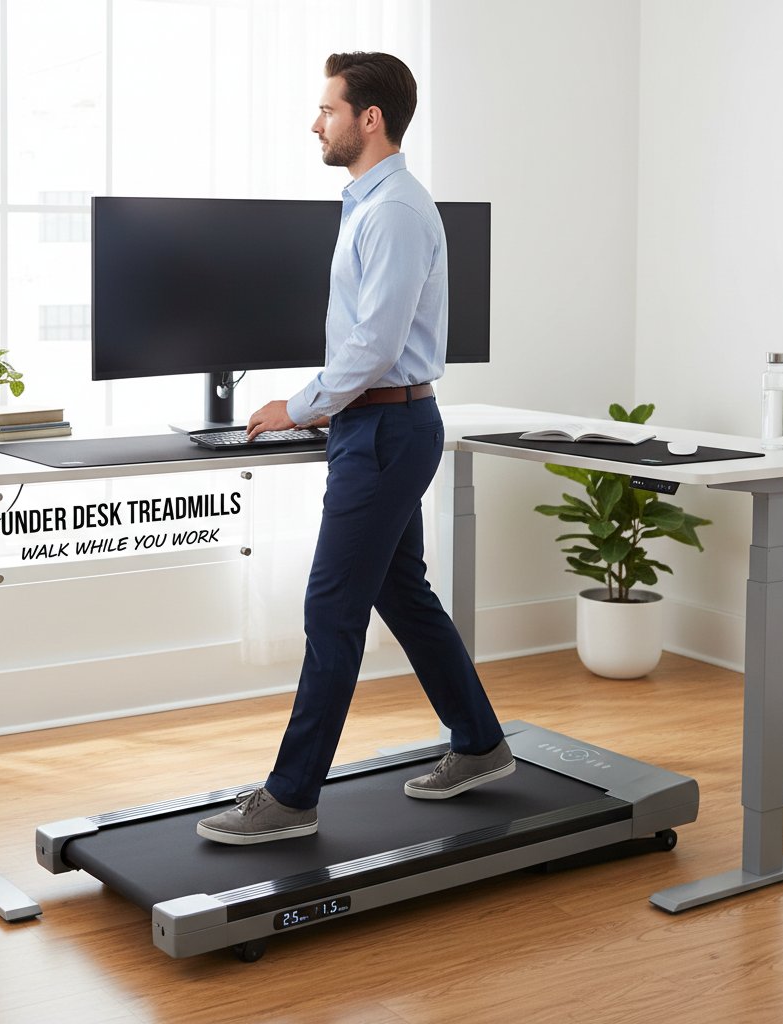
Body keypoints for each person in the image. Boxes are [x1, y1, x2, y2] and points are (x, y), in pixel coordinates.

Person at [197, 51, 512, 846]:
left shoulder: (394, 211)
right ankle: (480, 743)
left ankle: (291, 797)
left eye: (328, 109)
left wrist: (298, 406)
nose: (317, 124)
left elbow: (375, 344)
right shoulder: (371, 204)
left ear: (370, 119)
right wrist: (325, 411)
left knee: (331, 609)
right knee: (402, 593)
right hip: (372, 426)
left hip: (385, 429)